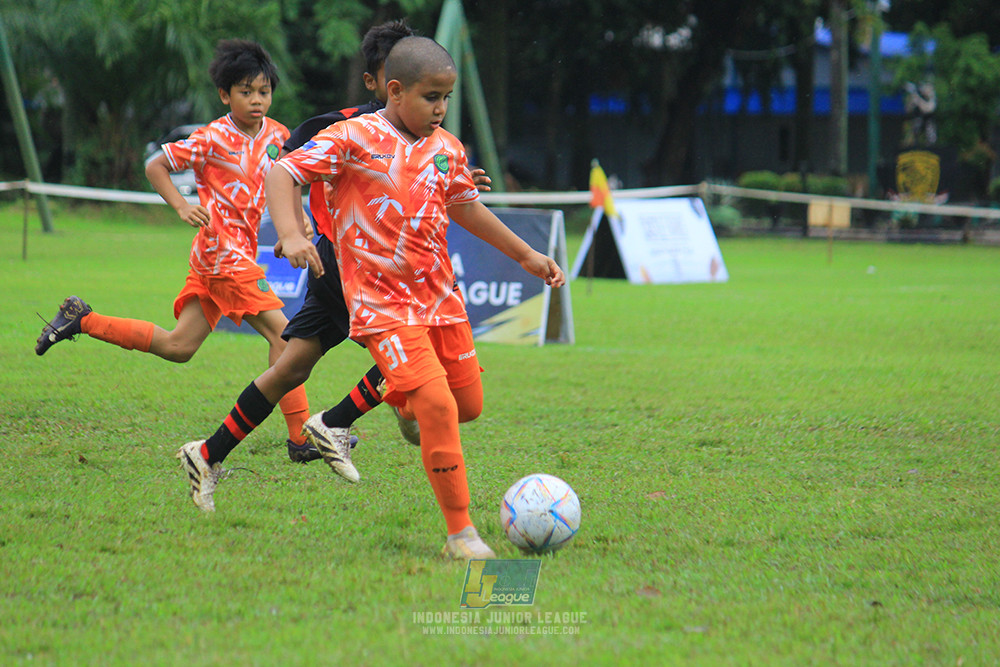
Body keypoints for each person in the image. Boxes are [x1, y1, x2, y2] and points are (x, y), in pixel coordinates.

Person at [174, 20, 493, 512]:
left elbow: (427, 181)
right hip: (345, 268)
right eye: (411, 84)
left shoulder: (430, 137)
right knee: (293, 365)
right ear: (382, 84)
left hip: (394, 275)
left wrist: (453, 180)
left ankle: (226, 449)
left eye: (438, 93)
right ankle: (332, 422)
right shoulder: (342, 128)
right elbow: (286, 168)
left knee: (299, 364)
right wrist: (293, 230)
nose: (433, 104)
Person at [271, 35, 564, 560]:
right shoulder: (352, 137)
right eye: (432, 97)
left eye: (447, 97)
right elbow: (283, 170)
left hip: (440, 299)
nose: (442, 109)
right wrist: (291, 233)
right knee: (436, 407)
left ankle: (393, 405)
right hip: (381, 306)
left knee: (466, 405)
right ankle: (461, 536)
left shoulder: (447, 148)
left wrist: (526, 257)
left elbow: (467, 208)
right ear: (395, 90)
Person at [34, 39, 313, 459]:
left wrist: (298, 222)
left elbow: (288, 176)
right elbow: (155, 165)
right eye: (246, 92)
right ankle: (300, 440)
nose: (257, 101)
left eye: (263, 91)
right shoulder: (211, 138)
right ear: (225, 95)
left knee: (178, 347)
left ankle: (82, 319)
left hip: (230, 256)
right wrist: (182, 205)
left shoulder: (279, 135)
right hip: (222, 255)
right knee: (285, 337)